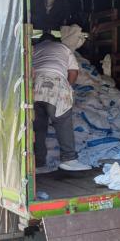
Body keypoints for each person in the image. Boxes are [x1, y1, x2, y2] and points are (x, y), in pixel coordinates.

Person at [33, 31, 91, 173]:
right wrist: (68, 88)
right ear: (54, 40)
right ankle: (69, 159)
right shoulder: (63, 48)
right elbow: (73, 72)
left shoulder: (34, 49)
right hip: (56, 82)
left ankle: (38, 163)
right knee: (62, 121)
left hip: (35, 86)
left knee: (38, 127)